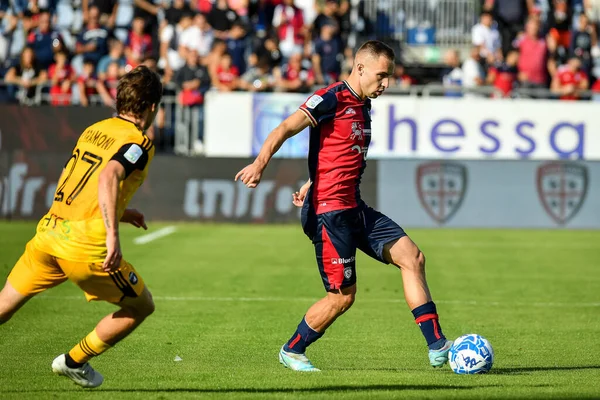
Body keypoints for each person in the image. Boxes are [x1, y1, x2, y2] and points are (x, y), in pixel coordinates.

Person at [235, 40, 452, 372]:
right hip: (329, 213)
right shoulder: (330, 98)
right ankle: (292, 350)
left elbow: (338, 154)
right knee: (342, 297)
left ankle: (438, 346)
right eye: (382, 75)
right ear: (360, 67)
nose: (387, 84)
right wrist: (259, 164)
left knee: (413, 257)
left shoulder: (364, 105)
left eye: (389, 77)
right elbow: (285, 127)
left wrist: (311, 180)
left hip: (352, 205)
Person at [0, 66, 163, 388]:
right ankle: (73, 361)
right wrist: (112, 237)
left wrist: (120, 211)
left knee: (3, 304)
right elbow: (107, 176)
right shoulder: (138, 142)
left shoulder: (94, 129)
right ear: (153, 107)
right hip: (84, 246)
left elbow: (80, 181)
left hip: (49, 232)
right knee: (140, 306)